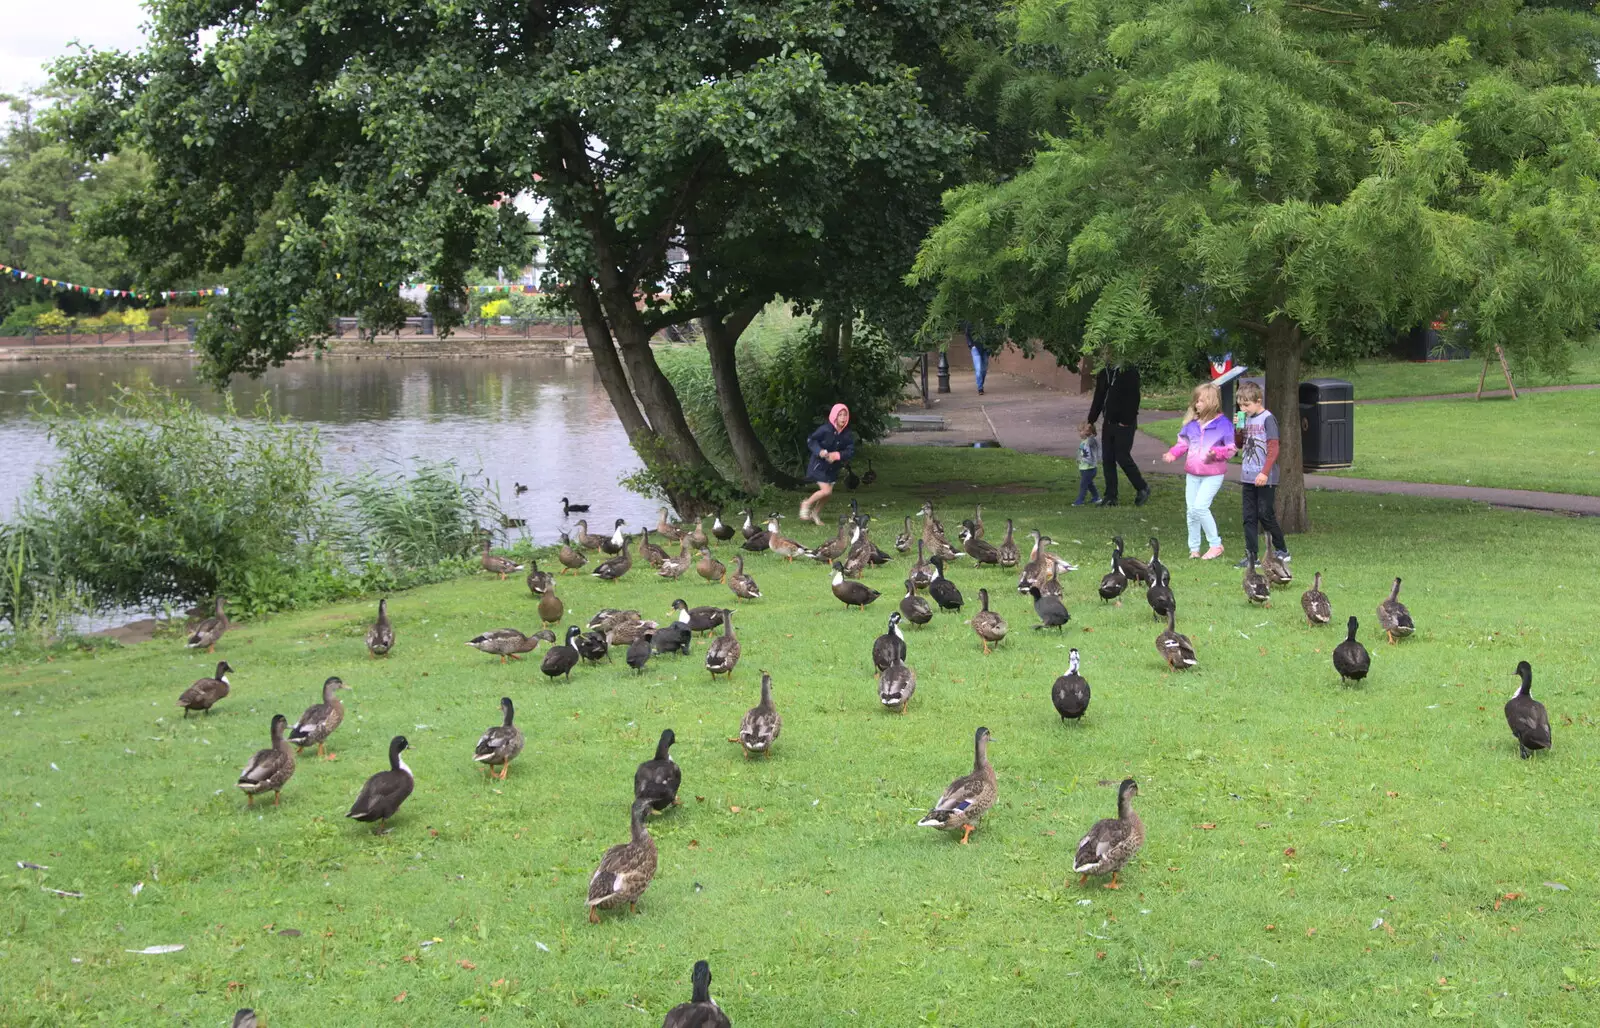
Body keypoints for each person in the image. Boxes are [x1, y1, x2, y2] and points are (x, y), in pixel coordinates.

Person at [1162, 382, 1235, 559]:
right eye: (1196, 401)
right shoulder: (1192, 424)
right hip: (1193, 474)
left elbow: (1231, 449)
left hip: (1213, 474)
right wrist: (1173, 454)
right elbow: (1183, 444)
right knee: (1191, 511)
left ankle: (1215, 545)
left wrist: (1216, 453)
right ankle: (1194, 549)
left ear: (1211, 402)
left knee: (1201, 507)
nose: (1197, 404)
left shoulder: (1223, 424)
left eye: (1201, 401)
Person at [1232, 380, 1290, 568]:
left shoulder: (1268, 419)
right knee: (1249, 516)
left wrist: (1264, 472)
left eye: (1246, 404)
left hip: (1265, 476)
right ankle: (1251, 555)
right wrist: (1238, 429)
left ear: (1258, 401)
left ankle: (1281, 550)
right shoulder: (1244, 418)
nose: (1243, 408)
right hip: (1247, 475)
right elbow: (1240, 444)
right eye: (1240, 404)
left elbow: (1273, 448)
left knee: (1265, 513)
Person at [1085, 360, 1149, 506]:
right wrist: (1091, 420)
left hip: (1125, 422)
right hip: (1109, 421)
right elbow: (1099, 397)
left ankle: (1142, 487)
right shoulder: (1105, 372)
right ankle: (1111, 496)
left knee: (1122, 456)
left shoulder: (1129, 372)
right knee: (1108, 458)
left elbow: (1134, 398)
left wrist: (1126, 420)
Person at [800, 403, 855, 526]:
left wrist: (837, 455)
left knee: (827, 494)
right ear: (834, 416)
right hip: (819, 465)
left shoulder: (847, 434)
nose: (843, 418)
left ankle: (815, 513)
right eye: (840, 415)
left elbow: (850, 450)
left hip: (832, 468)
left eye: (845, 415)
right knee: (826, 491)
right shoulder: (825, 429)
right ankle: (806, 504)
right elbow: (811, 440)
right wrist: (819, 451)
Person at [1072, 421, 1101, 506]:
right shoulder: (1083, 441)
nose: (1079, 433)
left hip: (1090, 468)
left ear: (1088, 432)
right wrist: (1078, 458)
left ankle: (1079, 501)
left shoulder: (1091, 441)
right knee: (1089, 484)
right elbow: (1081, 452)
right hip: (1084, 468)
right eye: (1079, 431)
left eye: (1081, 431)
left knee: (1083, 485)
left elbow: (1092, 439)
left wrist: (1090, 432)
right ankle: (1096, 498)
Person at [964, 323, 989, 395]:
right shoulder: (972, 321)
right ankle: (980, 388)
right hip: (976, 348)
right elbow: (967, 333)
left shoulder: (988, 321)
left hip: (986, 348)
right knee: (978, 369)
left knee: (984, 369)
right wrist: (971, 345)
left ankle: (981, 384)